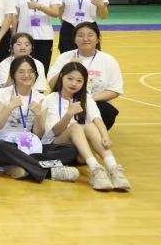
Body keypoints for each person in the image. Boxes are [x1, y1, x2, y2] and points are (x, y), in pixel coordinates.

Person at [0, 55, 80, 184]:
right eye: (21, 71)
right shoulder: (2, 93)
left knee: (70, 150)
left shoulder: (40, 98)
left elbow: (39, 134)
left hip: (28, 143)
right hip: (6, 142)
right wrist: (10, 107)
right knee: (1, 147)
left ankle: (20, 166)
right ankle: (50, 171)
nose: (27, 75)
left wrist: (39, 115)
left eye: (31, 71)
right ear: (13, 74)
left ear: (36, 74)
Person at [40, 62, 129, 191]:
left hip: (79, 152)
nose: (74, 83)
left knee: (90, 126)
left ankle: (113, 168)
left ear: (84, 82)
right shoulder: (50, 99)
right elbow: (55, 131)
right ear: (61, 77)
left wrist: (105, 136)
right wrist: (69, 114)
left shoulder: (86, 98)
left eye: (79, 81)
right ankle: (95, 169)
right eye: (70, 78)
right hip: (55, 145)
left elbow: (97, 119)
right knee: (76, 127)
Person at [47, 22, 124, 129]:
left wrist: (89, 99)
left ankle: (91, 132)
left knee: (108, 111)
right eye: (80, 35)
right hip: (66, 101)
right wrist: (68, 67)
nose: (85, 39)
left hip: (95, 101)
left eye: (90, 35)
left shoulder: (108, 60)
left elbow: (114, 90)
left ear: (98, 39)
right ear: (74, 39)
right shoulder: (65, 57)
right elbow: (52, 84)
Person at [14, 0, 62, 69]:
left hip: (44, 37)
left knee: (42, 70)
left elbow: (56, 13)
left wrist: (39, 6)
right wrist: (13, 36)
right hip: (23, 37)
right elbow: (15, 16)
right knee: (22, 69)